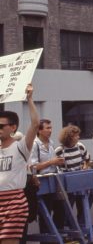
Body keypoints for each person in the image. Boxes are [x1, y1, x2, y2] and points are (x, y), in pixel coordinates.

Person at [0, 84, 39, 244]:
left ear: (13, 127)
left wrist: (29, 99)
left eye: (1, 126)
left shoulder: (21, 147)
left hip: (14, 203)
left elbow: (35, 125)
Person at [30, 119, 65, 232]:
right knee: (45, 212)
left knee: (60, 209)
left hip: (53, 180)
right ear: (39, 130)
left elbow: (53, 162)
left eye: (51, 128)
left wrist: (58, 163)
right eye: (47, 128)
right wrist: (51, 162)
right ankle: (46, 239)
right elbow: (32, 167)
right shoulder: (34, 145)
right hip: (41, 182)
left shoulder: (51, 143)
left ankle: (57, 234)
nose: (50, 130)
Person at [55, 125, 91, 225]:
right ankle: (69, 228)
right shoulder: (59, 150)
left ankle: (82, 226)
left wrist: (85, 166)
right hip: (67, 183)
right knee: (68, 207)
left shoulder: (80, 146)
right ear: (69, 137)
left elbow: (87, 158)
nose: (78, 137)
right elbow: (56, 166)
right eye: (76, 136)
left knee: (82, 206)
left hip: (80, 180)